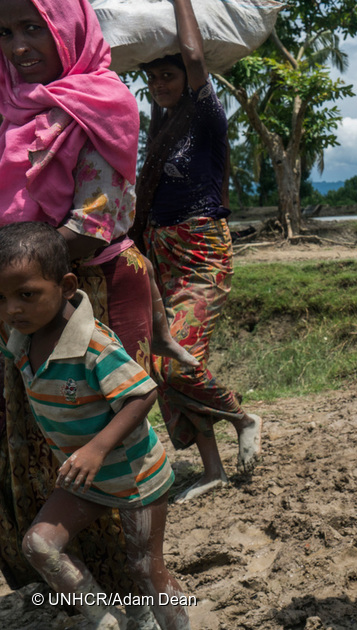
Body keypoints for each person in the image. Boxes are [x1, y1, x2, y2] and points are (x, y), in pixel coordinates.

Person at [0, 0, 183, 615]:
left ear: (68, 29)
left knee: (104, 418)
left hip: (84, 285)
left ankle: (142, 593)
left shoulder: (103, 101)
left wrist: (17, 273)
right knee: (40, 431)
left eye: (33, 27)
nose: (18, 45)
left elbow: (93, 220)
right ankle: (84, 597)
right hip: (19, 295)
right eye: (5, 31)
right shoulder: (9, 105)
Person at [0, 222, 190, 630]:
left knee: (146, 570)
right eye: (1, 299)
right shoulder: (20, 338)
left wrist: (95, 449)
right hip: (87, 482)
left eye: (26, 295)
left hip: (135, 478)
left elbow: (142, 394)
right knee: (39, 546)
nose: (12, 309)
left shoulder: (93, 344)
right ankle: (106, 618)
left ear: (67, 287)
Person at [133, 0, 262, 503]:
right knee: (164, 370)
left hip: (201, 256)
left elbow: (192, 53)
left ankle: (242, 414)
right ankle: (212, 470)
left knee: (172, 363)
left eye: (169, 76)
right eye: (153, 78)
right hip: (162, 260)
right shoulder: (160, 127)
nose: (161, 85)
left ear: (187, 78)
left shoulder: (205, 117)